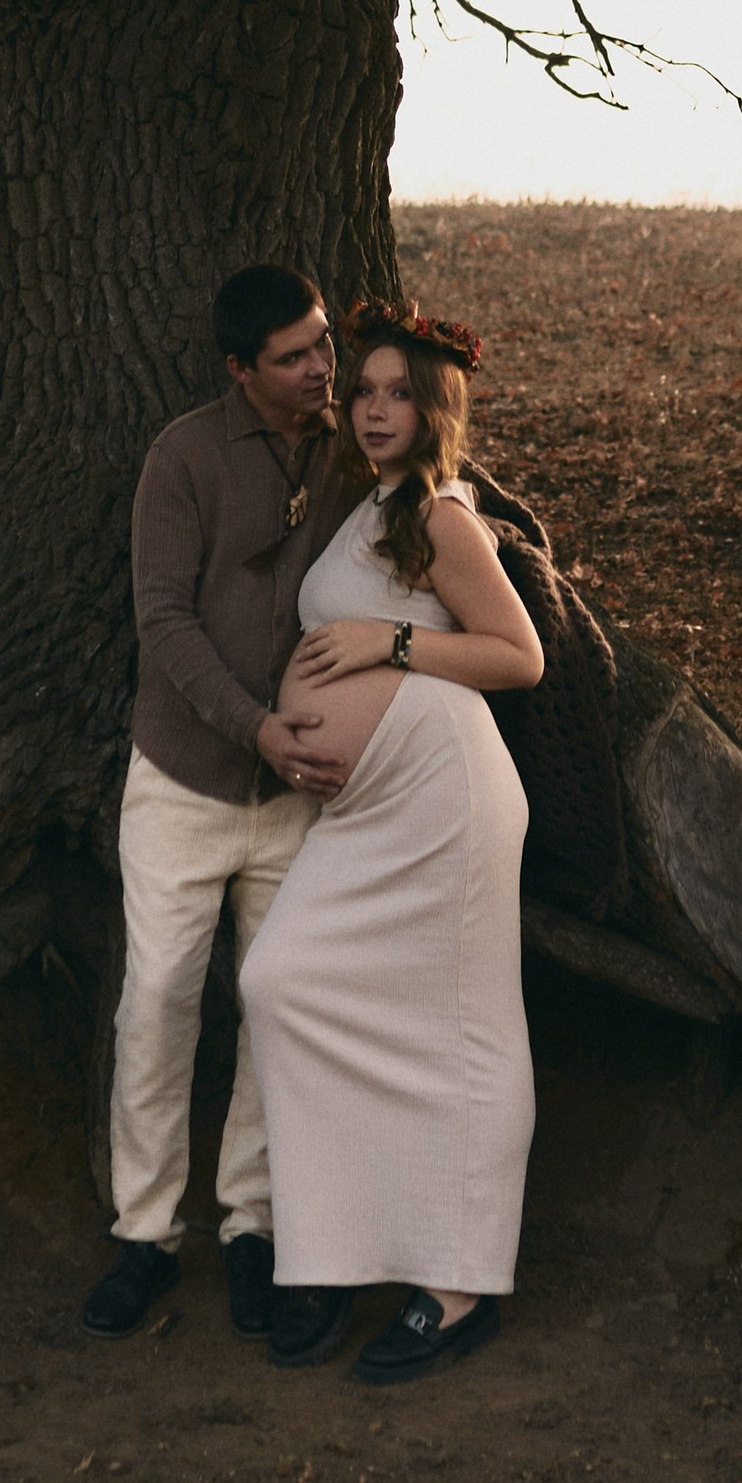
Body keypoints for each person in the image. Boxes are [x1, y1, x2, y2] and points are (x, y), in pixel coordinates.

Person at [239, 299, 546, 1384]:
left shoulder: (441, 517)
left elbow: (518, 656)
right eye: (361, 389)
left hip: (444, 792)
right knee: (284, 981)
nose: (372, 408)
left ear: (434, 406)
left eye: (396, 391)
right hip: (369, 804)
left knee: (460, 1020)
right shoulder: (367, 502)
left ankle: (459, 1280)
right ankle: (334, 1247)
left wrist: (391, 638)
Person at [82, 265, 369, 1346]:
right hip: (183, 780)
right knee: (154, 1001)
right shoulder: (184, 456)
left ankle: (252, 1226)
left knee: (277, 1010)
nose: (319, 369)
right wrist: (254, 727)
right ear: (239, 369)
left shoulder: (352, 451)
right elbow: (161, 617)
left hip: (303, 794)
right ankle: (145, 1236)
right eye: (294, 356)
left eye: (322, 346)